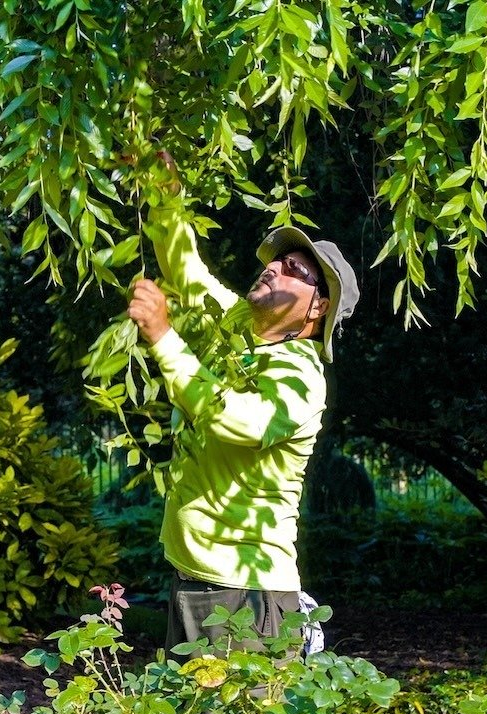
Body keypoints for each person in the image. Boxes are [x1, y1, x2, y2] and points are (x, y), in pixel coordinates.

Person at [125, 202, 359, 651]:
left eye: (293, 269)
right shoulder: (237, 330)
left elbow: (238, 422)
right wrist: (163, 195)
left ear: (318, 307)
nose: (273, 267)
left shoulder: (301, 377)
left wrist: (162, 336)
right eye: (276, 260)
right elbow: (186, 268)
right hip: (196, 580)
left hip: (246, 596)